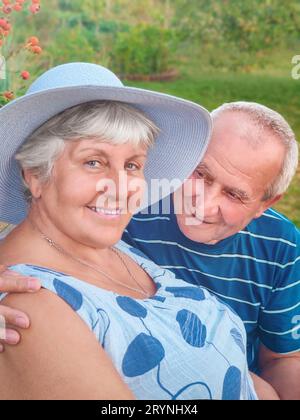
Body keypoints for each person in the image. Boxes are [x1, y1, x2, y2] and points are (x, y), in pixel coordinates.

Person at [0, 62, 257, 400]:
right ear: (34, 174)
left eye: (132, 165)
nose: (121, 188)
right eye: (94, 162)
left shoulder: (108, 244)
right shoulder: (27, 307)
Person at [121, 102, 300, 399]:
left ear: (265, 204)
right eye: (201, 174)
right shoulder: (130, 211)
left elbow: (283, 358)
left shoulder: (281, 244)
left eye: (234, 194)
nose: (201, 205)